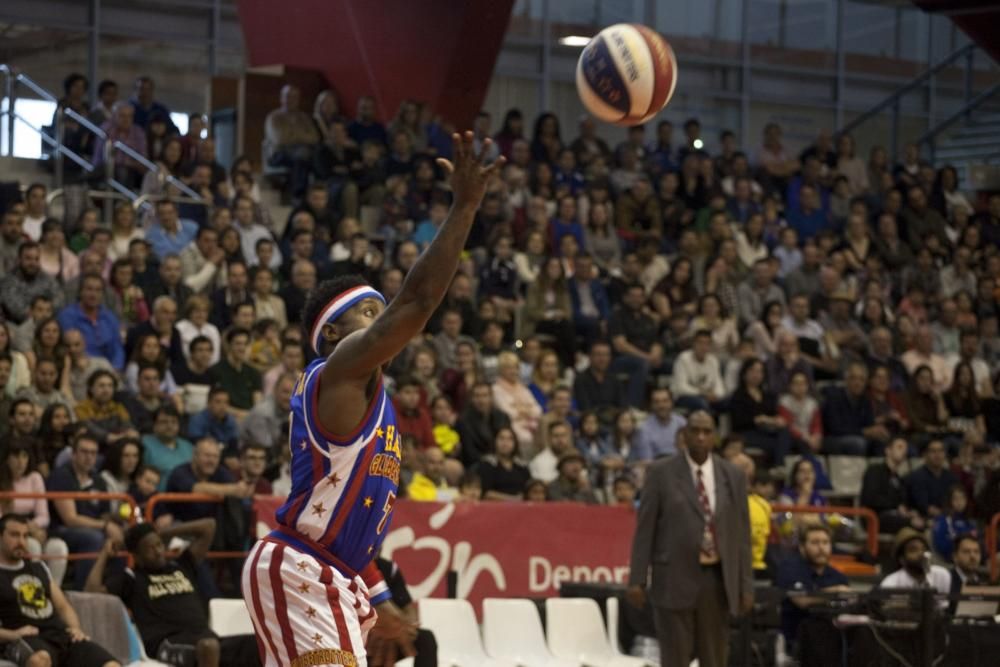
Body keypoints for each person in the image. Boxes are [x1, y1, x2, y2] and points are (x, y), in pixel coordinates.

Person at [242, 130, 503, 666]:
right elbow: (420, 300)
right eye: (368, 313)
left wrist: (381, 600)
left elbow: (351, 524)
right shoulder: (335, 372)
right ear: (332, 335)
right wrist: (465, 206)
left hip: (334, 572)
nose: (380, 320)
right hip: (301, 568)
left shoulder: (377, 398)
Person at [627, 411, 753, 667]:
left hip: (716, 579)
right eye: (694, 431)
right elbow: (645, 529)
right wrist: (637, 578)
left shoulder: (733, 475)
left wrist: (746, 585)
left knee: (715, 657)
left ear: (715, 437)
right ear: (684, 435)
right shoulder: (661, 472)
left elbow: (741, 535)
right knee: (675, 658)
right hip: (672, 575)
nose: (700, 437)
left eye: (707, 432)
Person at [86, 518, 260, 667]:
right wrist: (104, 554)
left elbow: (209, 526)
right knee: (209, 648)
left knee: (261, 643)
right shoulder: (131, 578)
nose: (158, 551)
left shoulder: (180, 565)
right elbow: (91, 591)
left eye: (159, 545)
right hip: (168, 644)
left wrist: (163, 533)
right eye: (150, 548)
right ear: (137, 556)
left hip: (208, 638)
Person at [0, 514, 121, 667]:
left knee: (111, 664)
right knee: (40, 660)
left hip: (58, 635)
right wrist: (13, 635)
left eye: (25, 536)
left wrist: (76, 629)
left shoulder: (39, 568)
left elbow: (63, 606)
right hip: (26, 638)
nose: (21, 542)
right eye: (14, 535)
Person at [46, 432, 125, 590]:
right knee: (93, 538)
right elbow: (70, 518)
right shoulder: (62, 476)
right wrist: (105, 526)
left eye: (93, 453)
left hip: (94, 528)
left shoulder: (98, 480)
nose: (89, 457)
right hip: (62, 530)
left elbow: (104, 514)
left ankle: (114, 591)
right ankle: (82, 591)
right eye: (84, 452)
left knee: (120, 538)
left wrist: (116, 524)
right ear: (74, 454)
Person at [775, 524, 850, 665]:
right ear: (802, 547)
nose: (821, 548)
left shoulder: (838, 577)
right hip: (797, 638)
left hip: (834, 637)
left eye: (825, 542)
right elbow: (801, 600)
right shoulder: (789, 569)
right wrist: (835, 592)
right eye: (815, 543)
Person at [860, 437, 923, 534]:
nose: (904, 451)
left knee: (920, 520)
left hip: (894, 517)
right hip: (875, 516)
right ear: (888, 450)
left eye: (905, 448)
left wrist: (908, 511)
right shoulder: (874, 471)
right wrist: (897, 506)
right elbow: (871, 498)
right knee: (913, 523)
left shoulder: (899, 478)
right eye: (899, 447)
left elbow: (902, 502)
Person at [879, 527, 952, 595]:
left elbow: (946, 606)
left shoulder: (942, 575)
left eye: (923, 549)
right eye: (913, 550)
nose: (921, 554)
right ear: (901, 559)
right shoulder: (890, 584)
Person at [905, 439, 958, 518]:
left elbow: (957, 501)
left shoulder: (951, 477)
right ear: (925, 455)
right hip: (923, 519)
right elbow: (925, 507)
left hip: (950, 518)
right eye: (933, 451)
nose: (937, 455)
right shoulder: (917, 477)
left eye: (941, 451)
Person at [632, 387, 686, 462]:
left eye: (665, 401)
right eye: (656, 402)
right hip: (656, 470)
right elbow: (647, 462)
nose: (661, 405)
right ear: (651, 405)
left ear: (671, 403)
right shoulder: (643, 429)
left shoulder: (682, 423)